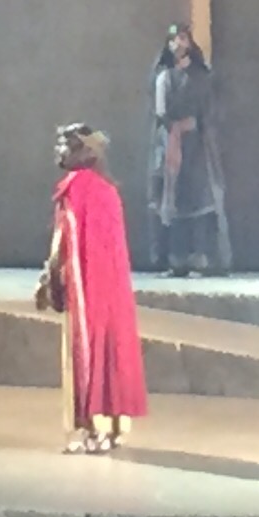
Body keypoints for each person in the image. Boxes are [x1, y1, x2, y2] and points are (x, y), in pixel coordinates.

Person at [39, 125, 147, 455]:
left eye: (64, 145)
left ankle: (95, 427)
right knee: (113, 347)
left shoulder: (77, 190)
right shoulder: (106, 191)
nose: (58, 151)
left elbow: (64, 242)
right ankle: (113, 428)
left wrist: (50, 278)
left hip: (89, 289)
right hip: (111, 290)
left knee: (91, 349)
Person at [148, 24, 230, 275]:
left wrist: (194, 124)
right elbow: (160, 112)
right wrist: (173, 129)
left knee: (201, 201)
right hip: (170, 147)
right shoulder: (163, 76)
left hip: (197, 148)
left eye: (182, 38)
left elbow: (210, 110)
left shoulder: (202, 76)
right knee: (172, 201)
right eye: (173, 39)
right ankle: (175, 259)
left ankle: (203, 258)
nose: (178, 44)